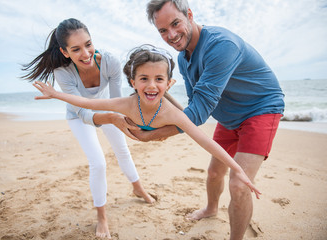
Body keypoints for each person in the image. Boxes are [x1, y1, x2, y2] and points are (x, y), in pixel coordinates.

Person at [32, 44, 262, 209]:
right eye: (143, 79)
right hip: (137, 115)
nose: (151, 85)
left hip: (161, 117)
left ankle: (165, 87)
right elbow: (88, 102)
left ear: (169, 83)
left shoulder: (173, 114)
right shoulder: (126, 103)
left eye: (159, 79)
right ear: (132, 82)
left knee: (178, 110)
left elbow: (205, 141)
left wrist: (238, 170)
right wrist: (56, 94)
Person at [141, 1, 285, 240]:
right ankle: (211, 209)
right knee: (214, 173)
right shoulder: (184, 58)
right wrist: (157, 103)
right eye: (163, 30)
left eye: (175, 23)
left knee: (239, 185)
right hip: (228, 115)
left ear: (189, 14)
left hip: (260, 109)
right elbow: (193, 103)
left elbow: (198, 112)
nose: (172, 35)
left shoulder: (220, 45)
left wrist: (151, 134)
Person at [22, 18, 155, 239]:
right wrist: (112, 117)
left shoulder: (110, 61)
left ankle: (138, 188)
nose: (86, 53)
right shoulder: (63, 73)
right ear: (65, 52)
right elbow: (83, 113)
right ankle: (102, 217)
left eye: (88, 44)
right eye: (76, 49)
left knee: (122, 150)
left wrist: (128, 121)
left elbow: (117, 102)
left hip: (107, 108)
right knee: (98, 162)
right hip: (78, 116)